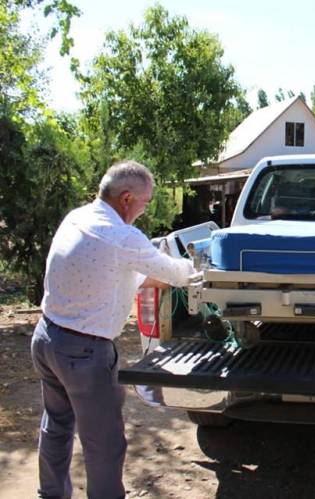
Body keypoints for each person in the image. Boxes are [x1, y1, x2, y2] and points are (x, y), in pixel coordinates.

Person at [31, 161, 196, 499]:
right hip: (84, 353)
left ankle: (50, 495)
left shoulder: (77, 218)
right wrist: (199, 267)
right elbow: (177, 275)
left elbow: (104, 272)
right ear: (126, 198)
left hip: (47, 338)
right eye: (145, 201)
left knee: (56, 425)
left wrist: (147, 275)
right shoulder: (122, 236)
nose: (146, 209)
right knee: (104, 443)